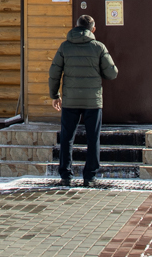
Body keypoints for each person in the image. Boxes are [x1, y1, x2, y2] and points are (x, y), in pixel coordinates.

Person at [48, 13, 118, 186]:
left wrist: (55, 95)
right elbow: (112, 73)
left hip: (70, 101)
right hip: (92, 102)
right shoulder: (98, 47)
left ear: (76, 27)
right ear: (93, 29)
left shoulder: (65, 47)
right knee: (93, 139)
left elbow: (54, 72)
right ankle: (90, 177)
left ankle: (65, 176)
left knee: (67, 138)